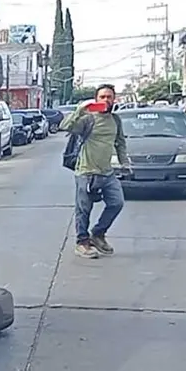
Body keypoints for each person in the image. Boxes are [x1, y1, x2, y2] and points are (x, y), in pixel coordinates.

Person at [59, 84, 130, 259]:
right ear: (96, 99)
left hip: (107, 172)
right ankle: (82, 242)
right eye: (102, 97)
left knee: (117, 203)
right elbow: (65, 126)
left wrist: (124, 162)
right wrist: (80, 110)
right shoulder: (88, 119)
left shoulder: (115, 120)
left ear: (114, 99)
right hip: (86, 172)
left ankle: (98, 234)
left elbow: (120, 142)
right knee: (84, 208)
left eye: (109, 97)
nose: (106, 100)